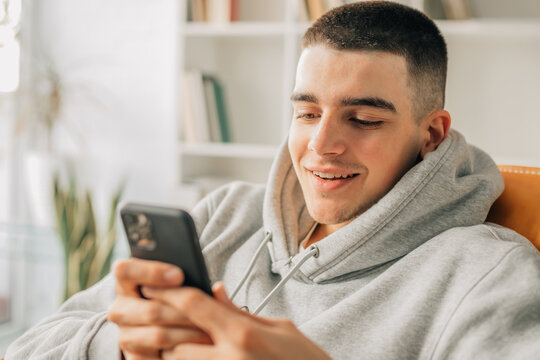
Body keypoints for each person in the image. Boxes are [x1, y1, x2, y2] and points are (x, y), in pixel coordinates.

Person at [6, 1, 540, 359]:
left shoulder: (486, 271)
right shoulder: (226, 214)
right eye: (307, 113)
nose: (321, 145)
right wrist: (123, 345)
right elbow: (28, 347)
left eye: (364, 119)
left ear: (431, 134)